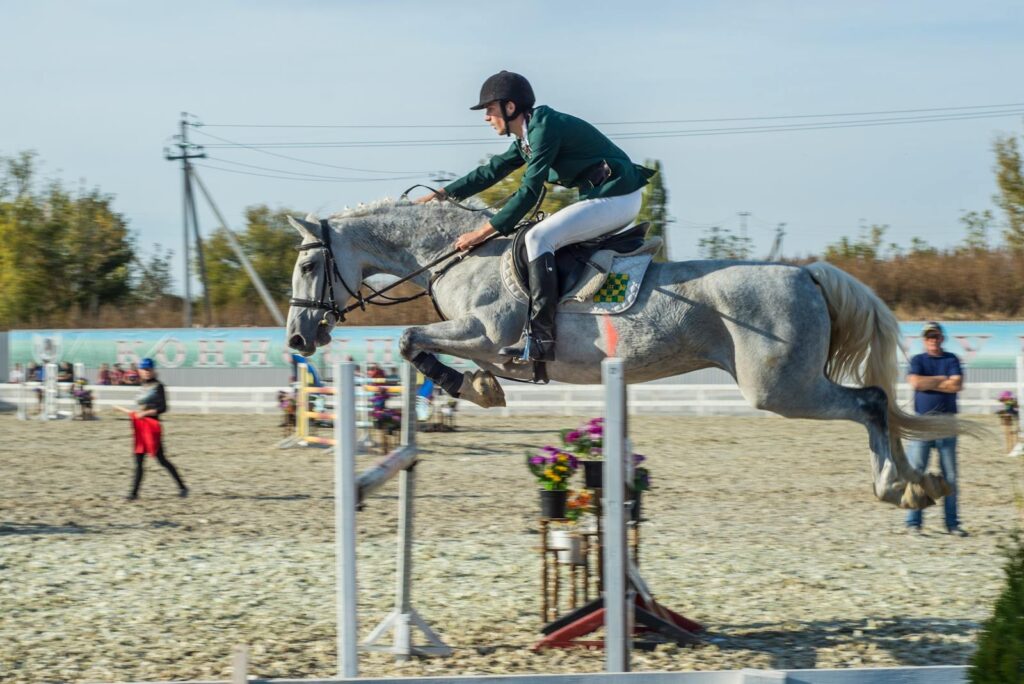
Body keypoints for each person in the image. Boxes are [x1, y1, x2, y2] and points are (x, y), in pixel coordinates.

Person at [415, 71, 654, 363]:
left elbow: (529, 191)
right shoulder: (527, 138)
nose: (486, 118)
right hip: (608, 197)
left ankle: (541, 337)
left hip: (618, 196)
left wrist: (482, 233)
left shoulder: (544, 127)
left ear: (510, 107)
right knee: (544, 236)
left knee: (538, 236)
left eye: (490, 110)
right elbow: (491, 171)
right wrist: (443, 195)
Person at [905, 322, 966, 537]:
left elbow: (956, 385)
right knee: (917, 472)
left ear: (942, 338)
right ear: (924, 339)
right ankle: (914, 523)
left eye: (936, 336)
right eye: (928, 336)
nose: (932, 339)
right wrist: (942, 380)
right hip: (922, 423)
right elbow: (915, 383)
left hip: (947, 423)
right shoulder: (918, 360)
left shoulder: (951, 359)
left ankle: (952, 524)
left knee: (949, 476)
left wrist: (929, 382)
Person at [115, 357, 188, 500]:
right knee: (139, 460)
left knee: (161, 460)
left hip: (152, 427)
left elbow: (164, 408)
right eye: (144, 369)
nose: (147, 372)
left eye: (149, 369)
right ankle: (134, 493)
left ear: (153, 370)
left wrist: (146, 413)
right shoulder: (142, 387)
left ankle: (182, 487)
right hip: (141, 426)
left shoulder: (158, 386)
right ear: (140, 371)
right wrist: (136, 414)